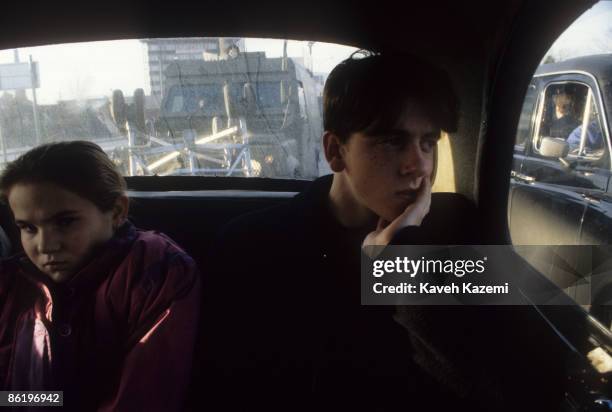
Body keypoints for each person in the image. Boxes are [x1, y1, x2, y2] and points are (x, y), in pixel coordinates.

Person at [198, 52, 491, 411]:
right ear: (336, 151)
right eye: (392, 141)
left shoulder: (456, 230)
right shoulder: (249, 248)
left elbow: (484, 381)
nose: (420, 166)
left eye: (428, 142)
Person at [0, 141, 201, 411]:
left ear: (117, 212)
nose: (45, 245)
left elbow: (144, 396)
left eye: (65, 222)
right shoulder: (12, 283)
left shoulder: (154, 270)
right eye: (28, 228)